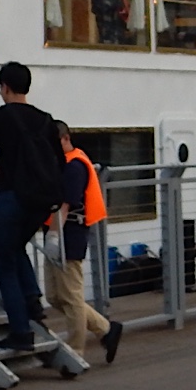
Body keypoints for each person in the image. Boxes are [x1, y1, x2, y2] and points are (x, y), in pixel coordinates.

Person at [0, 61, 65, 354]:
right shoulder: (46, 120)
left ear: (5, 87)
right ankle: (33, 301)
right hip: (41, 201)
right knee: (16, 247)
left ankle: (21, 332)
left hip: (13, 196)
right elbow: (60, 162)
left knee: (5, 263)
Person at [48, 122, 123, 362]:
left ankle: (75, 350)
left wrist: (54, 236)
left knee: (71, 296)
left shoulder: (75, 166)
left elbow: (66, 205)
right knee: (54, 296)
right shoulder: (64, 163)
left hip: (69, 232)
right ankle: (106, 329)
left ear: (66, 138)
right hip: (59, 230)